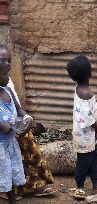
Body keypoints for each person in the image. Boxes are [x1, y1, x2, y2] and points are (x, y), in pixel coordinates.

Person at [0, 44, 55, 198]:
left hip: (15, 127)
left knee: (32, 155)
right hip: (4, 133)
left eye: (9, 60)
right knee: (6, 165)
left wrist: (26, 118)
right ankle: (9, 190)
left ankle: (33, 185)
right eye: (3, 60)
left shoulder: (7, 83)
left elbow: (17, 106)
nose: (8, 64)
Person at [67, 55, 97, 200]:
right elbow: (86, 118)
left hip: (87, 137)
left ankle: (96, 184)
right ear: (89, 73)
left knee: (93, 159)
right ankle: (79, 187)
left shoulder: (79, 88)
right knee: (84, 163)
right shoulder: (86, 94)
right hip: (84, 137)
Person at [0, 59, 28, 204]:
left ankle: (12, 201)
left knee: (9, 174)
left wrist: (26, 118)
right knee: (2, 176)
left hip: (10, 144)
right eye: (5, 74)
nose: (8, 77)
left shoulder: (7, 90)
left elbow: (18, 109)